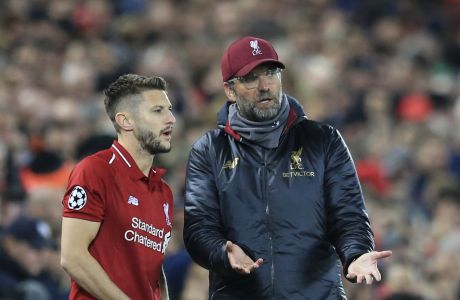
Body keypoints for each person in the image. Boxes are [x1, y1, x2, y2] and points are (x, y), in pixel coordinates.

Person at [183, 36, 392, 299]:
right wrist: (222, 252)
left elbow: (348, 215)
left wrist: (357, 253)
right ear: (229, 90)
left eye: (270, 73)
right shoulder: (210, 150)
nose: (264, 85)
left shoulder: (323, 140)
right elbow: (198, 228)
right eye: (250, 78)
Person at [60, 74, 176, 300]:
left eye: (169, 109)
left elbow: (153, 270)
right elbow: (72, 257)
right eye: (157, 110)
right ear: (126, 121)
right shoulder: (95, 171)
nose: (171, 118)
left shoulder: (163, 192)